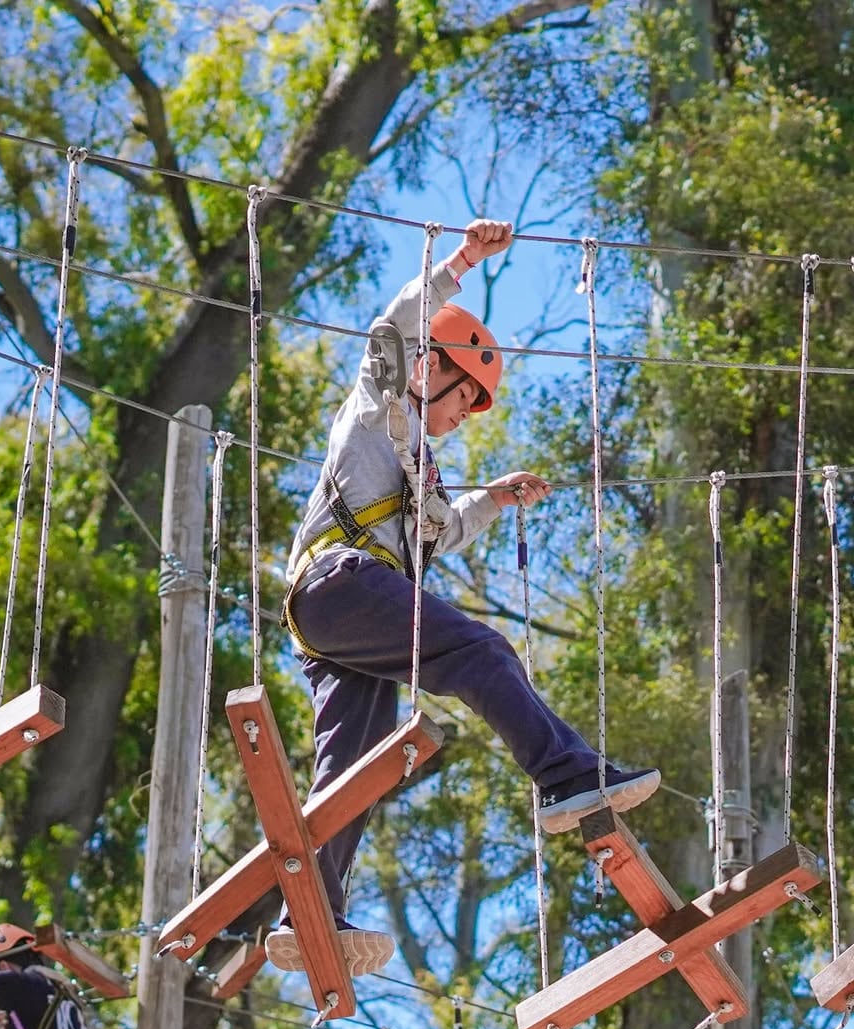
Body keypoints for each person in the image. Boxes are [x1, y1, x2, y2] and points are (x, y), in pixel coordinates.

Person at [271, 219, 661, 975]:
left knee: (354, 765)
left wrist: (498, 496)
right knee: (480, 649)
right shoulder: (375, 412)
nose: (463, 414)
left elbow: (442, 533)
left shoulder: (424, 466)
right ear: (430, 370)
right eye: (463, 396)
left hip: (342, 618)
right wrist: (459, 265)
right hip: (339, 587)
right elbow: (390, 328)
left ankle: (307, 906)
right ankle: (566, 776)